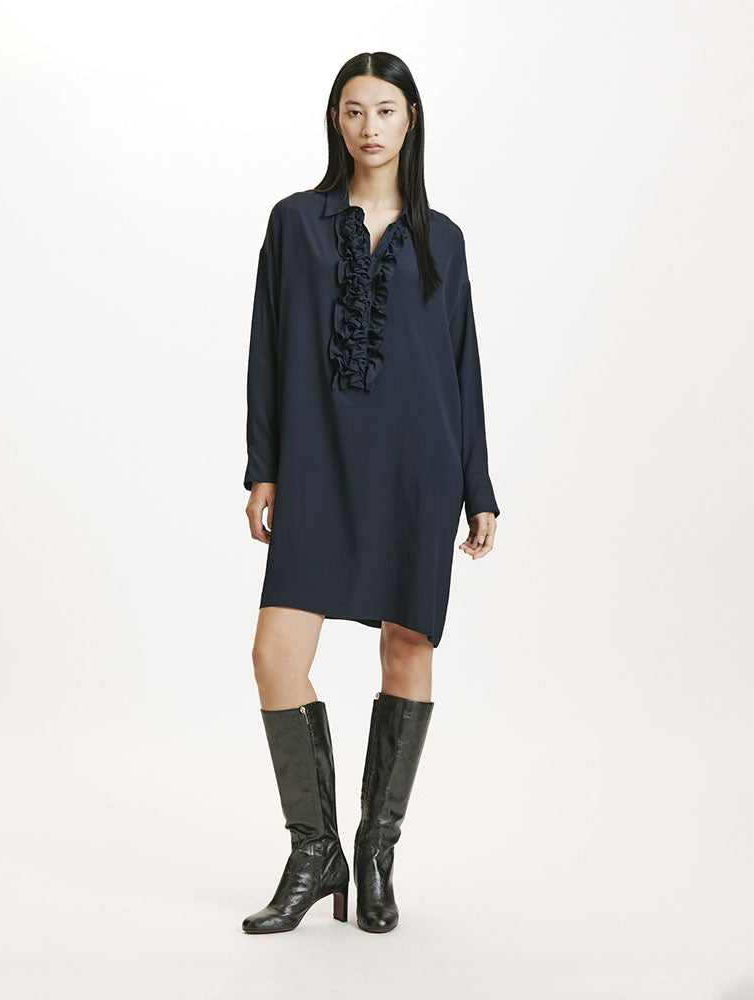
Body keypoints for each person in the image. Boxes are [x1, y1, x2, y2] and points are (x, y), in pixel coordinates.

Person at [241, 52, 500, 935]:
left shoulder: (443, 239)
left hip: (418, 470)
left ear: (410, 119)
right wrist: (264, 466)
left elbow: (462, 368)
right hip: (318, 464)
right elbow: (267, 346)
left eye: (385, 109)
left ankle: (376, 851)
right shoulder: (295, 223)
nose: (369, 126)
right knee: (276, 655)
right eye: (353, 110)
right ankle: (315, 852)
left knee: (406, 651)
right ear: (336, 121)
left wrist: (478, 485)